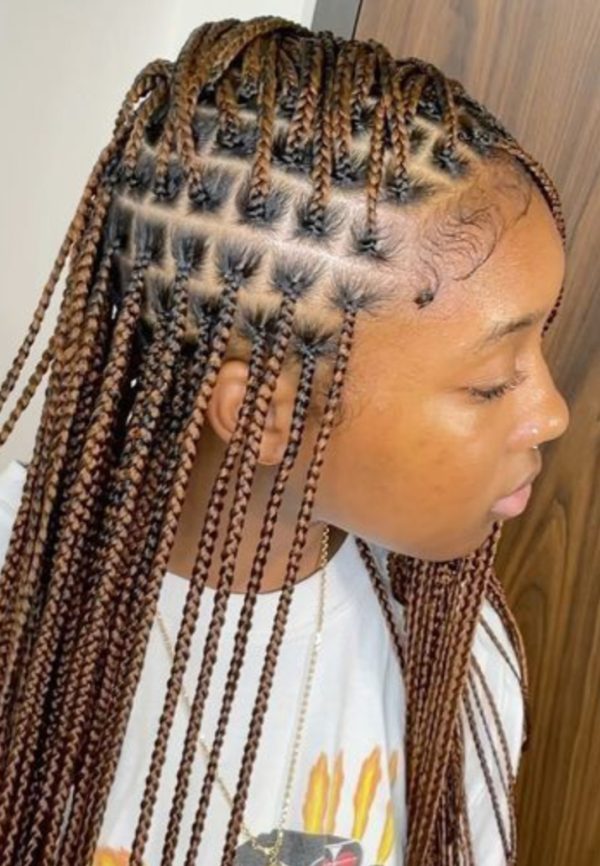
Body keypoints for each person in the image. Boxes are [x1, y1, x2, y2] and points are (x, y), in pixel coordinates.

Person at [0, 14, 570, 866]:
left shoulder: (457, 663)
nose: (553, 414)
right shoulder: (18, 591)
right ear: (264, 412)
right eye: (491, 382)